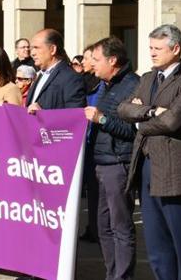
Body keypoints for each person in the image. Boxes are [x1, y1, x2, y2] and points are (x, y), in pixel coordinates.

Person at [118, 24, 181, 280]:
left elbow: (173, 121)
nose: (151, 53)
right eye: (150, 47)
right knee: (156, 243)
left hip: (173, 169)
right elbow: (123, 109)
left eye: (157, 49)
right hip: (145, 166)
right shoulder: (148, 78)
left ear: (175, 49)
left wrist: (139, 118)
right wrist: (150, 112)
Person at [84, 36, 139, 280]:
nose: (92, 64)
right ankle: (112, 273)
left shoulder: (132, 86)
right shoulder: (105, 85)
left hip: (118, 163)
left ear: (112, 60)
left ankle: (122, 276)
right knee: (103, 226)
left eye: (96, 59)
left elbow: (131, 131)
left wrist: (102, 120)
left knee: (120, 227)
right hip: (100, 162)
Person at [26, 29, 86, 113]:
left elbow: (75, 116)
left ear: (52, 49)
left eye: (36, 48)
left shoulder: (71, 78)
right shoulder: (40, 74)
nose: (32, 53)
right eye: (32, 48)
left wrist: (44, 115)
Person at [80, 43, 102, 243]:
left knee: (96, 190)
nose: (85, 62)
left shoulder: (102, 86)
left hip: (97, 143)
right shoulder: (85, 82)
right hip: (85, 144)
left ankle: (97, 229)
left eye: (89, 58)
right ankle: (92, 226)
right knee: (91, 191)